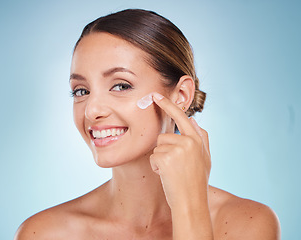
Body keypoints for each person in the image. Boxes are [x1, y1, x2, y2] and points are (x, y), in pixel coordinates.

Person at [15, 9, 280, 239]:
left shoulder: (247, 225)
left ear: (181, 96)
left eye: (121, 85)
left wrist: (190, 207)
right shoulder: (45, 233)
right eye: (81, 91)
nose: (92, 110)